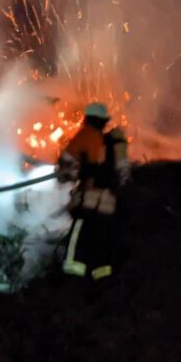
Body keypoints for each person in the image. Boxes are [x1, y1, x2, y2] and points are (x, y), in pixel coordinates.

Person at [54, 102, 130, 287]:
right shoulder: (114, 144)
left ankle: (71, 285)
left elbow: (65, 168)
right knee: (102, 245)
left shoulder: (85, 136)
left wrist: (68, 174)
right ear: (104, 121)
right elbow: (123, 174)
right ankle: (102, 286)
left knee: (76, 245)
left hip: (88, 204)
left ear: (88, 119)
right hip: (107, 207)